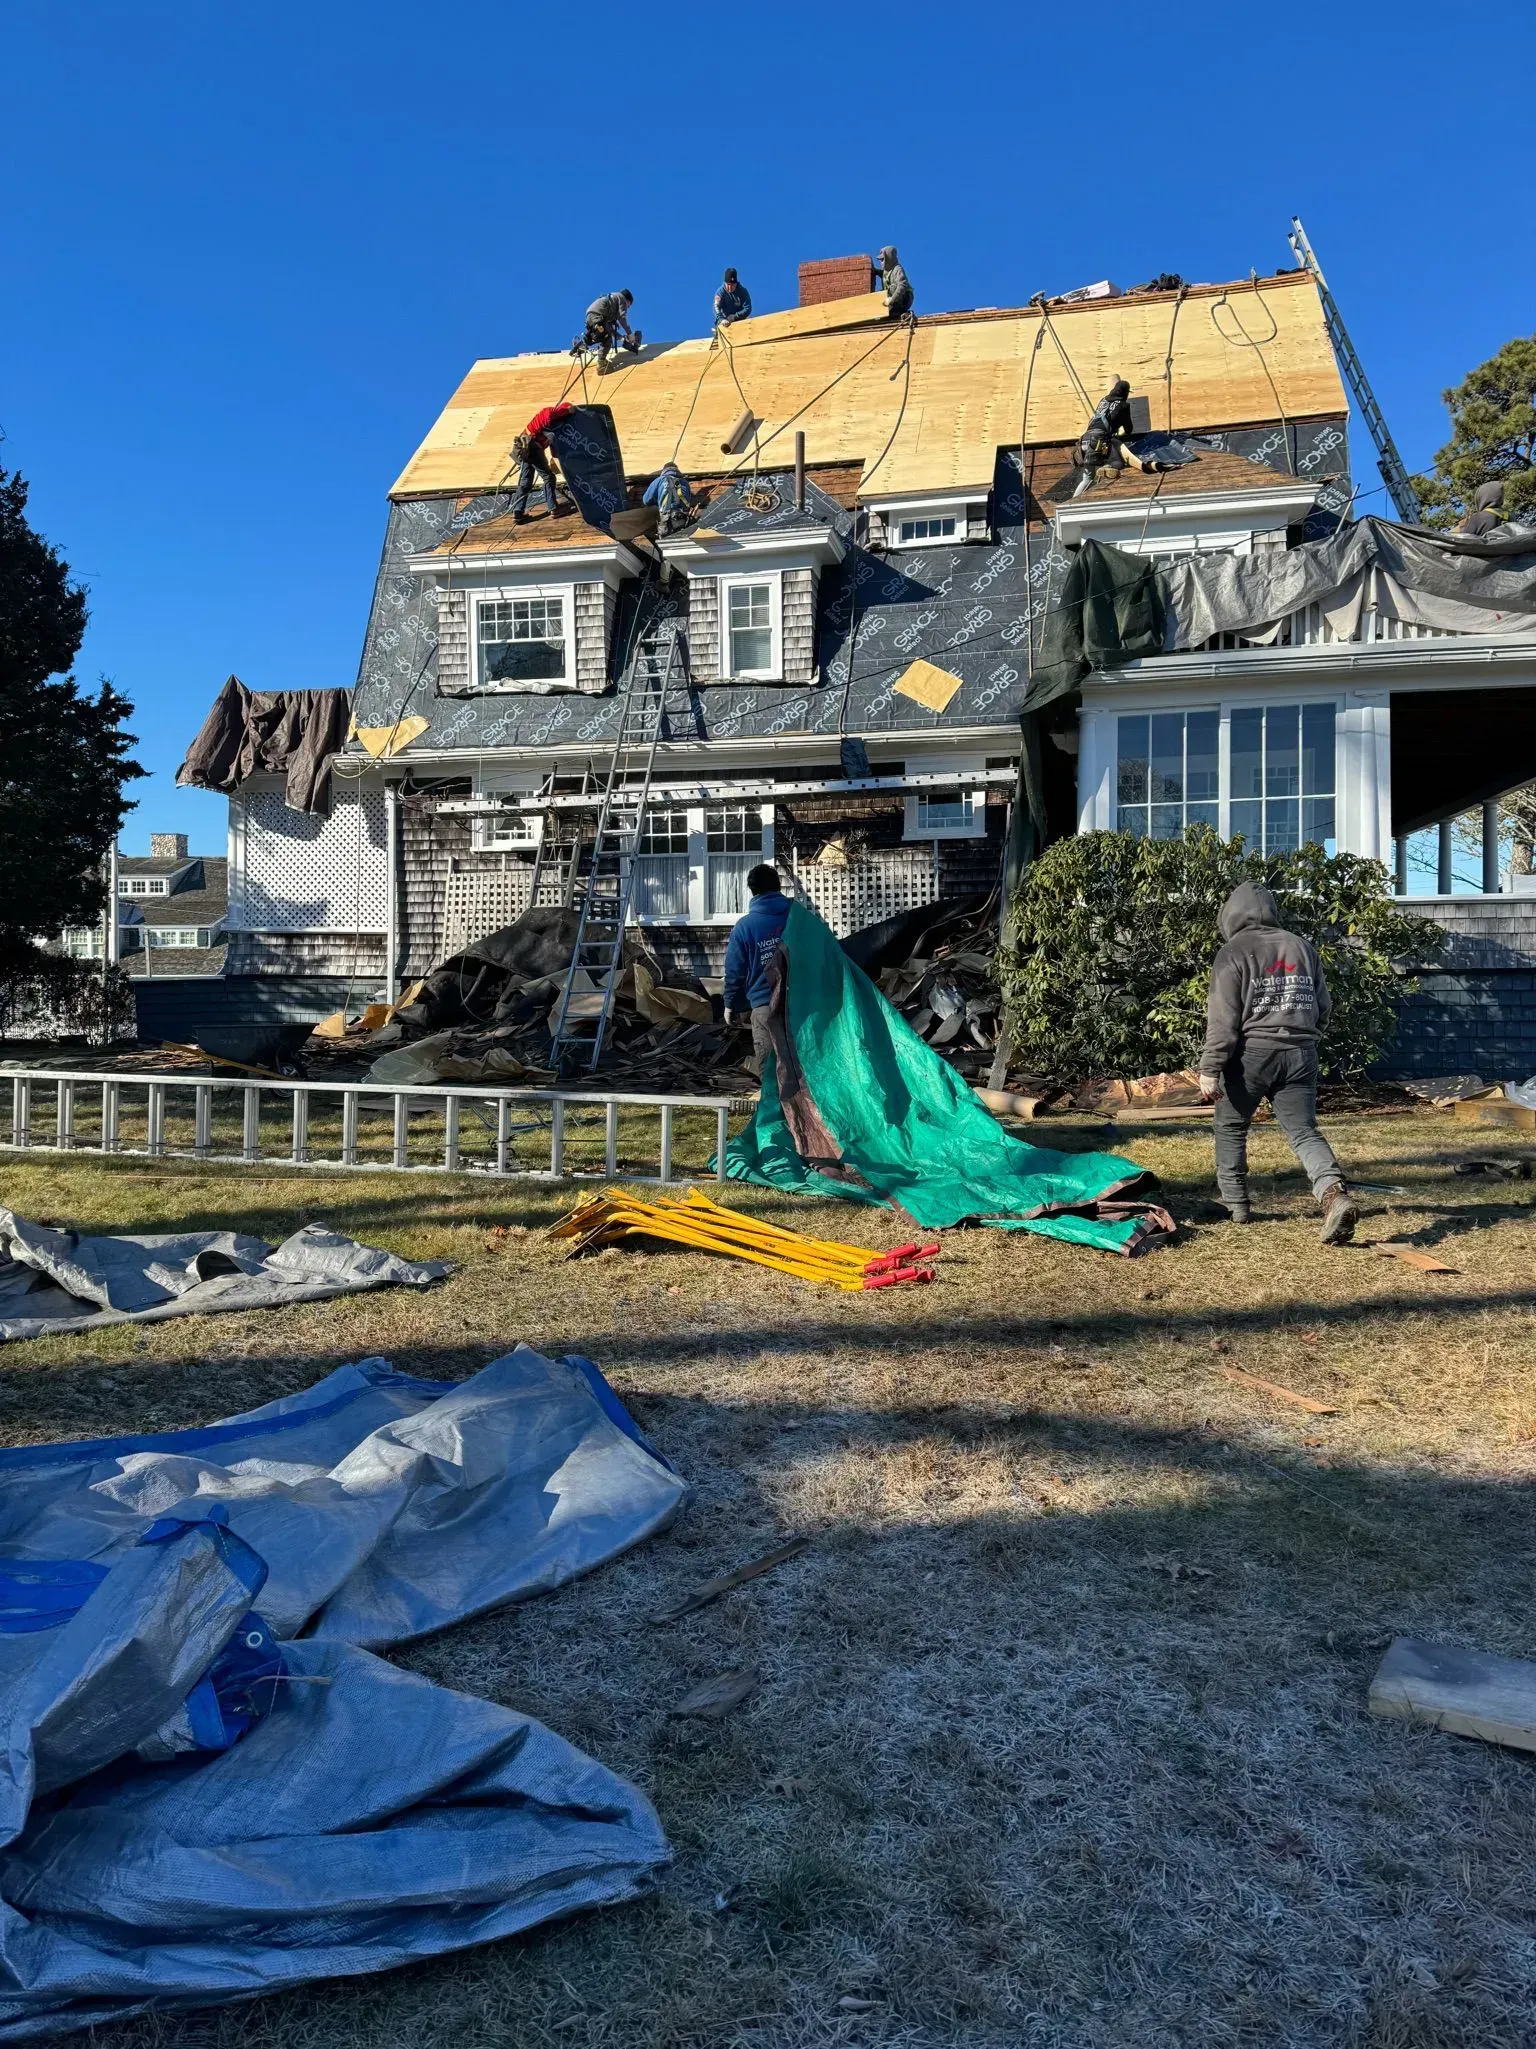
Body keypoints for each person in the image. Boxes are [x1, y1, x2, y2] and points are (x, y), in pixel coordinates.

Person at [1197, 880, 1359, 1244]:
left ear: (1231, 915)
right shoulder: (1301, 946)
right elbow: (1323, 1006)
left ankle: (1235, 1204)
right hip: (1301, 1055)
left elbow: (1223, 1019)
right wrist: (1308, 1035)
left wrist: (1210, 1068)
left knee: (1231, 1126)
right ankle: (1333, 1193)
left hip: (1251, 1056)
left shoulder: (1234, 951)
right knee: (1303, 1131)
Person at [723, 864, 792, 1077]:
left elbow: (735, 971)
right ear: (778, 886)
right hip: (803, 1004)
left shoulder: (745, 927)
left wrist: (730, 1004)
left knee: (771, 1071)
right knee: (805, 1069)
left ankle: (776, 1109)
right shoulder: (799, 917)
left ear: (752, 891)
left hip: (765, 1007)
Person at [510, 401, 573, 523]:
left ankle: (518, 512)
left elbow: (555, 450)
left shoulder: (555, 429)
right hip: (530, 446)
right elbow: (550, 415)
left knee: (526, 481)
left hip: (527, 448)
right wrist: (568, 410)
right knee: (548, 477)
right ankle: (553, 508)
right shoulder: (548, 412)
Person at [580, 289, 638, 370]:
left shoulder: (612, 302)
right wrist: (630, 333)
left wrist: (622, 338)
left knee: (599, 335)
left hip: (591, 316)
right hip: (598, 316)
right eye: (629, 304)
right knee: (607, 338)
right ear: (627, 300)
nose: (628, 307)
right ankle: (601, 364)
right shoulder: (621, 298)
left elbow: (611, 330)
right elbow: (622, 318)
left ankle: (582, 344)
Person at [642, 461, 697, 535]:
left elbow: (646, 500)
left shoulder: (659, 480)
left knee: (666, 542)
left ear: (664, 471)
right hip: (682, 518)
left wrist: (657, 503)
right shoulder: (685, 482)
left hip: (666, 519)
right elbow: (688, 500)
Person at [875, 245, 912, 318]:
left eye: (883, 260)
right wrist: (873, 270)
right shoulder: (886, 270)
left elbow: (902, 286)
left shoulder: (897, 269)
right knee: (878, 294)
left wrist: (892, 299)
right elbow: (883, 274)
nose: (881, 263)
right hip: (893, 299)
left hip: (905, 299)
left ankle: (896, 310)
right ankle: (890, 310)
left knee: (893, 287)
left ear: (889, 258)